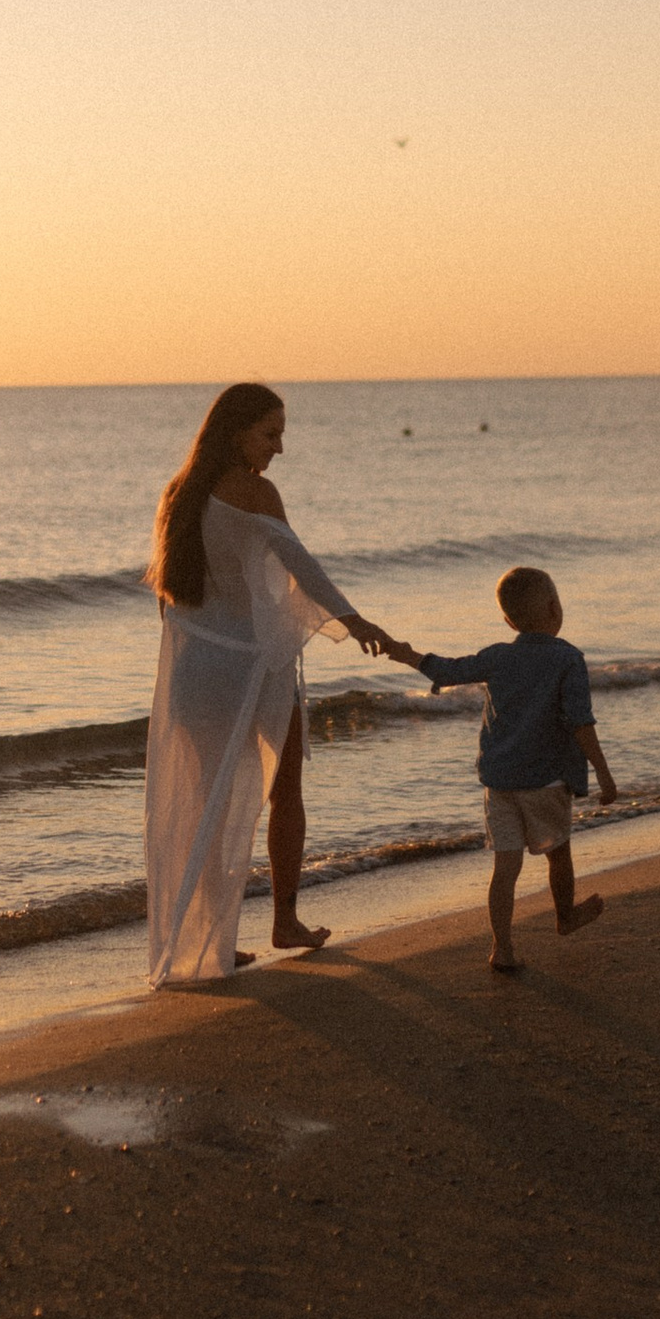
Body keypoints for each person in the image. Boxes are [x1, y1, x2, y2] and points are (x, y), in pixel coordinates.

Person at [143, 384, 402, 984]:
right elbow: (298, 563)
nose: (279, 448)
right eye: (271, 433)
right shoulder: (257, 492)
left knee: (209, 804)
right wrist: (353, 621)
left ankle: (211, 941)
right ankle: (285, 920)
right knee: (284, 792)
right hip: (250, 668)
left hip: (196, 671)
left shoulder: (177, 494)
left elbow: (169, 597)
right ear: (237, 432)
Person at [395, 565, 619, 974]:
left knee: (506, 868)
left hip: (499, 782)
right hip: (546, 781)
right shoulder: (568, 659)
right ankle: (564, 916)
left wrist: (410, 655)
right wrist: (603, 774)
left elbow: (448, 671)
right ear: (554, 608)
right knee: (559, 853)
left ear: (508, 620)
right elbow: (580, 722)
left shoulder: (499, 656)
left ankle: (502, 947)